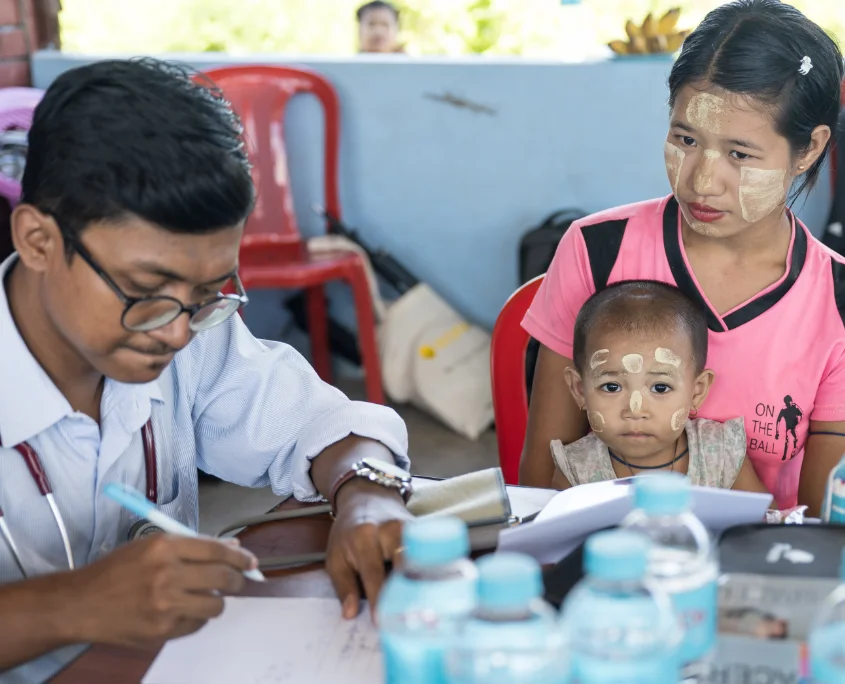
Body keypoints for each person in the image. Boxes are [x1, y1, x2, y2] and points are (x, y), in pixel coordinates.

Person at [0, 58, 412, 682]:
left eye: (206, 293)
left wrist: (367, 494)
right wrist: (74, 605)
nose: (175, 331)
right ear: (37, 241)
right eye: (145, 289)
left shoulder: (186, 332)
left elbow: (318, 421)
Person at [520, 0, 845, 514]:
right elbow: (542, 480)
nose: (700, 180)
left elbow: (824, 523)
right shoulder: (597, 251)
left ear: (809, 149)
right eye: (685, 139)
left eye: (740, 154)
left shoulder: (838, 300)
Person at [551, 280, 766, 493]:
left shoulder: (722, 454)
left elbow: (765, 523)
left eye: (660, 388)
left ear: (697, 390)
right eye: (611, 387)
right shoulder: (575, 469)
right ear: (580, 389)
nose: (635, 410)